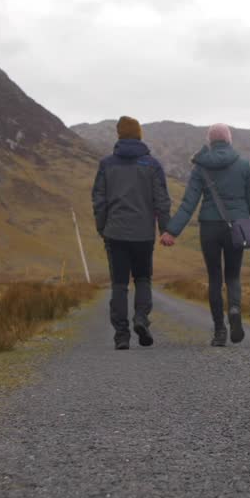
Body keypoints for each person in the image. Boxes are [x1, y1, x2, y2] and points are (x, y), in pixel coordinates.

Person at [160, 123, 250, 347]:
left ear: (210, 142)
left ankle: (220, 331)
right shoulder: (243, 165)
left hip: (209, 227)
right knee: (233, 275)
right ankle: (235, 309)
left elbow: (189, 202)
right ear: (229, 140)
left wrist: (172, 231)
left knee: (214, 278)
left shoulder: (201, 167)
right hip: (237, 228)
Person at [92, 116, 172, 350]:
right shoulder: (152, 165)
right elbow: (162, 200)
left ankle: (121, 336)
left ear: (119, 135)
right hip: (143, 234)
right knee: (143, 279)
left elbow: (99, 200)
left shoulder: (106, 165)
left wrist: (102, 227)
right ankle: (141, 318)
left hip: (115, 233)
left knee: (119, 284)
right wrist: (165, 228)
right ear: (139, 135)